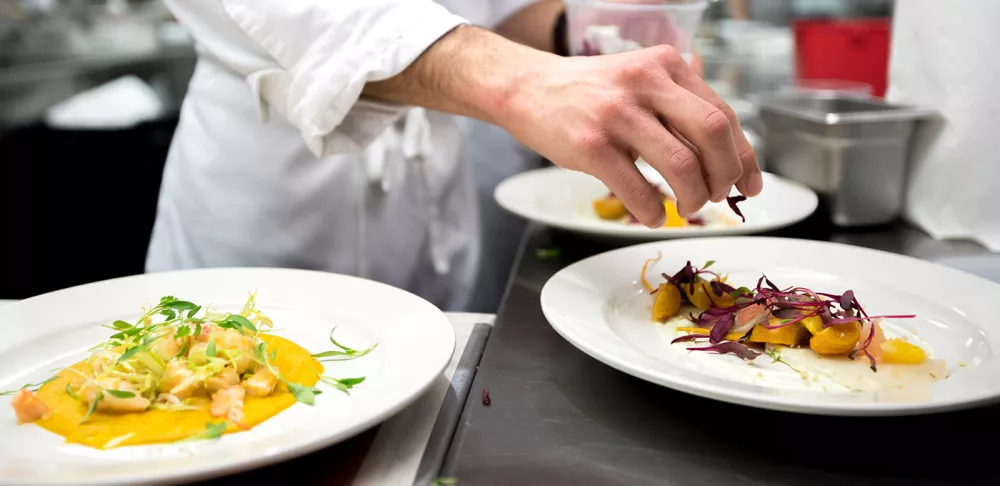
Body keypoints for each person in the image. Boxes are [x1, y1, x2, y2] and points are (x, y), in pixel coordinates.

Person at [149, 0, 762, 311]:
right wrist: (519, 82)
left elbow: (495, 13)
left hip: (436, 189)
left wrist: (588, 25)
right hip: (271, 196)